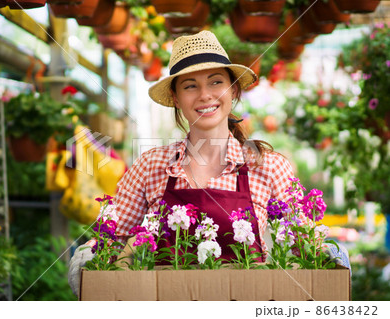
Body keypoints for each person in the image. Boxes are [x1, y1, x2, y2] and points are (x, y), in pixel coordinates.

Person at [68, 30, 349, 296]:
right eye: (191, 86)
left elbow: (305, 245)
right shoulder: (150, 166)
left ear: (233, 90)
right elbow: (114, 240)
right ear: (176, 99)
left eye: (216, 82)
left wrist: (329, 256)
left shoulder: (267, 166)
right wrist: (90, 256)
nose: (205, 95)